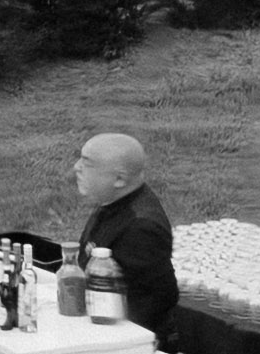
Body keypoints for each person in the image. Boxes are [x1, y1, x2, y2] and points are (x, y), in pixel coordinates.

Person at [72, 127, 183, 339]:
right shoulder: (115, 202)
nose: (76, 167)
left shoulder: (141, 228)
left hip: (127, 342)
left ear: (119, 179)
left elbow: (154, 304)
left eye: (87, 163)